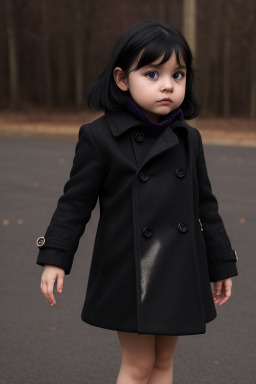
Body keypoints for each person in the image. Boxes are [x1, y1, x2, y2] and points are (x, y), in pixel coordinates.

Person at [36, 20, 238, 384]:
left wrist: (221, 263)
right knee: (139, 365)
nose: (167, 85)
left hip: (179, 266)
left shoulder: (188, 138)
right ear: (122, 79)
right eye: (152, 73)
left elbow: (205, 206)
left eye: (178, 75)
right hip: (131, 268)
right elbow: (74, 204)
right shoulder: (99, 137)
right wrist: (55, 257)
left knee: (163, 364)